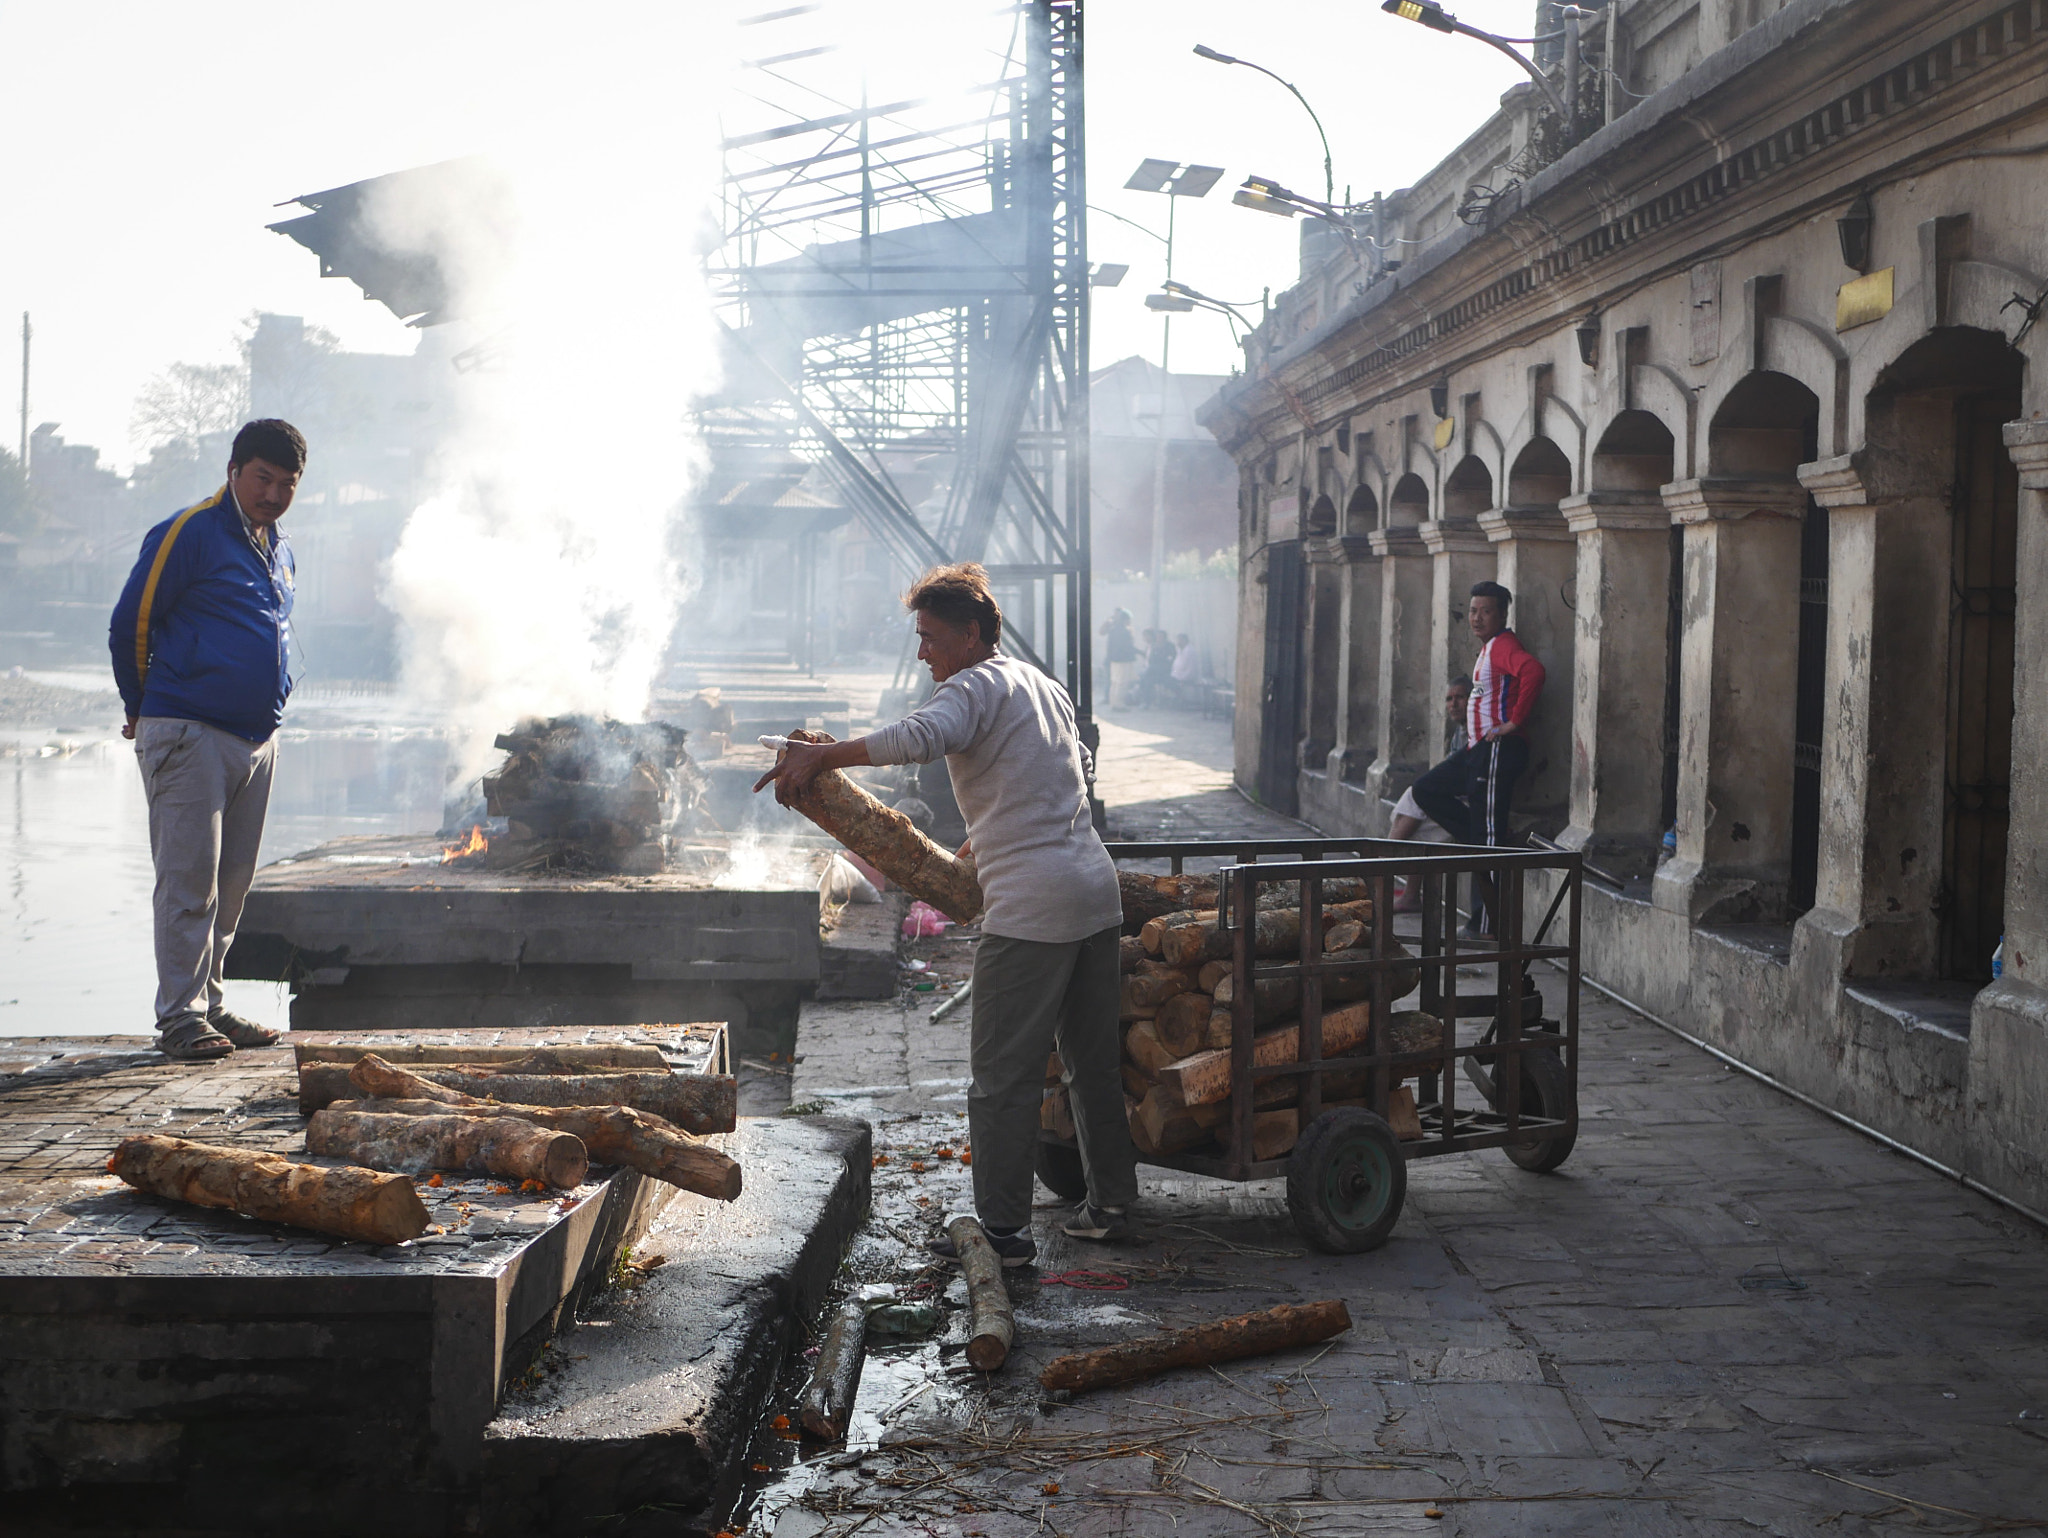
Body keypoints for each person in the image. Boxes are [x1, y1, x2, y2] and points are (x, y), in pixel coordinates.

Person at [757, 562, 1136, 1263]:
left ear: (969, 634)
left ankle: (1002, 1233)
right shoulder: (1037, 684)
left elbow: (918, 738)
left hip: (1032, 910)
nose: (923, 651)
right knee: (1092, 1067)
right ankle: (1112, 1204)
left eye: (931, 637)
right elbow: (1074, 770)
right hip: (1094, 891)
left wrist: (824, 756)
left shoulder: (974, 686)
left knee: (1002, 1079)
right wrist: (991, 831)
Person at [109, 420, 307, 1061]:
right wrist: (142, 709)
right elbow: (130, 623)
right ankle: (179, 1018)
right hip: (188, 729)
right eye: (263, 479)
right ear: (233, 470)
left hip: (255, 739)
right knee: (189, 879)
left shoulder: (278, 546)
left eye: (286, 484)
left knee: (233, 882)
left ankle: (211, 1006)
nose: (273, 494)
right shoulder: (190, 530)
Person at [1407, 582, 1544, 937]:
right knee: (1425, 790)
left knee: (1487, 837)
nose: (1477, 618)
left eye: (1485, 611)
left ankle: (1487, 923)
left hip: (1498, 749)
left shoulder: (1504, 647)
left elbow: (1533, 672)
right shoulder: (1487, 651)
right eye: (1472, 611)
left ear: (1501, 614)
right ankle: (1488, 839)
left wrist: (1514, 722)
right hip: (1476, 752)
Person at [1388, 676, 1472, 913]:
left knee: (1415, 801)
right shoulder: (1458, 734)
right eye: (1449, 699)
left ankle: (1379, 865)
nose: (1454, 704)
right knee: (1417, 816)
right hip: (1452, 800)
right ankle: (1409, 894)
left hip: (1468, 805)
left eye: (1460, 698)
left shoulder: (1476, 732)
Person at [1101, 608, 1138, 707]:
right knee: (1122, 683)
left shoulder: (1114, 629)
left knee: (1115, 682)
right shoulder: (1125, 630)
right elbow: (1127, 646)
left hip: (1114, 660)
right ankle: (1119, 704)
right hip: (1123, 660)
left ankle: (1114, 703)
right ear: (1126, 619)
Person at [1136, 628, 1177, 707]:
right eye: (1157, 637)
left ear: (1165, 637)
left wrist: (1161, 660)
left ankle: (1146, 701)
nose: (1159, 638)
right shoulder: (1154, 646)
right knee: (1147, 680)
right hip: (1154, 672)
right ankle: (1146, 702)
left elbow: (1170, 659)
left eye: (1161, 637)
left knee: (1146, 675)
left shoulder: (1169, 646)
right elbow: (1151, 660)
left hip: (1165, 672)